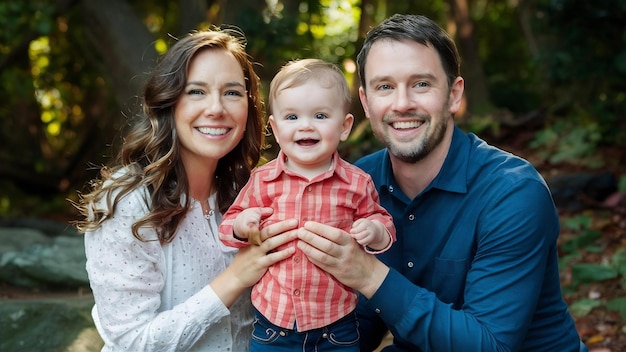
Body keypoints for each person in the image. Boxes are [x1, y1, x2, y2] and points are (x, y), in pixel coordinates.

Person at [295, 14, 588, 352]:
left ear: (453, 94)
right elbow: (361, 321)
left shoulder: (513, 192)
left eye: (421, 84)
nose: (402, 104)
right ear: (365, 102)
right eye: (385, 87)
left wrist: (368, 274)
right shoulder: (359, 183)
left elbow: (490, 346)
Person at [72, 28, 298, 352]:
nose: (217, 108)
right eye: (196, 92)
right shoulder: (128, 202)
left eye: (232, 93)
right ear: (169, 101)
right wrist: (234, 279)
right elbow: (133, 341)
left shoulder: (251, 190)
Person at [218, 58, 396, 351]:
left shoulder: (356, 182)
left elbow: (383, 220)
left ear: (344, 126)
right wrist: (241, 225)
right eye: (292, 118)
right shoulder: (262, 180)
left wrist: (375, 232)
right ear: (275, 129)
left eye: (320, 116)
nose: (305, 126)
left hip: (336, 327)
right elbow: (229, 225)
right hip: (273, 326)